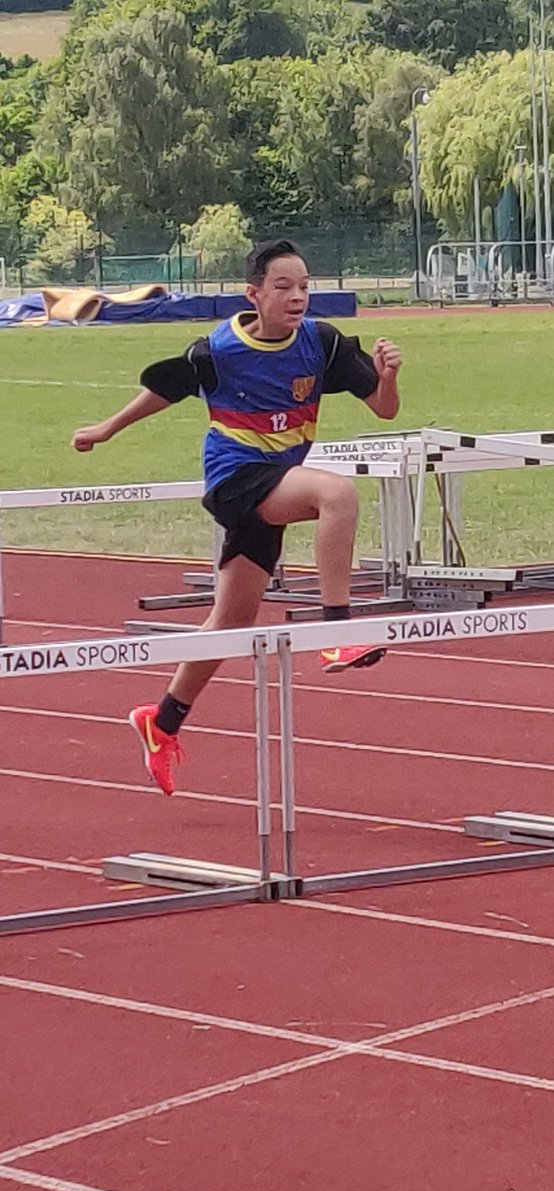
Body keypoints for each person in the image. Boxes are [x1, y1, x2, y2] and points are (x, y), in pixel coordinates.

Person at [72, 239, 402, 796]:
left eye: (304, 288)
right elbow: (164, 389)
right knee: (337, 495)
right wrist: (104, 430)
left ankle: (162, 720)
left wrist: (387, 376)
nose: (297, 297)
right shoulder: (218, 350)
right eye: (283, 287)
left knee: (229, 625)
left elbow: (385, 409)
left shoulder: (322, 344)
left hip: (278, 476)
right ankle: (339, 631)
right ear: (253, 293)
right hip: (235, 477)